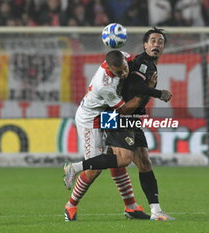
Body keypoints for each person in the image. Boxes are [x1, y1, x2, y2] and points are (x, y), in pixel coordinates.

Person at [63, 50, 172, 221]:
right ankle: (71, 200)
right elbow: (124, 109)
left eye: (124, 69)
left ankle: (131, 207)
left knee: (119, 159)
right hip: (92, 118)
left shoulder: (125, 56)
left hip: (108, 113)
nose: (124, 74)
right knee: (96, 168)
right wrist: (150, 90)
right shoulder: (104, 85)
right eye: (118, 72)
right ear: (110, 69)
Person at [111, 27, 175, 221]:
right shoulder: (142, 63)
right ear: (145, 45)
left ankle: (155, 211)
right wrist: (159, 93)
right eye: (153, 41)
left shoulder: (150, 65)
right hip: (120, 117)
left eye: (160, 42)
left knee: (145, 162)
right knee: (117, 162)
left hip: (132, 119)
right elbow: (136, 87)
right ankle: (77, 167)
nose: (156, 45)